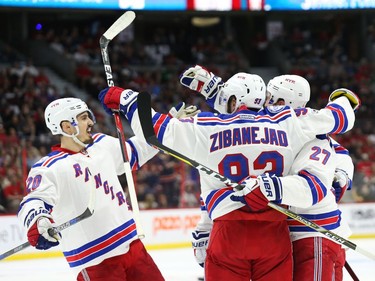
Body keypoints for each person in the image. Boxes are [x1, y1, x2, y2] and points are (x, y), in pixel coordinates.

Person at [98, 72, 358, 281]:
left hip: (229, 233)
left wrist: (127, 99)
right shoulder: (293, 122)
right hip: (276, 234)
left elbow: (155, 130)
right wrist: (344, 99)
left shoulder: (206, 126)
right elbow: (340, 118)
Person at [17, 97, 165, 281]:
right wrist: (38, 221)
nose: (91, 122)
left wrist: (165, 129)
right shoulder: (48, 168)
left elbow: (135, 151)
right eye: (84, 118)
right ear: (67, 127)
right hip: (95, 261)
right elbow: (33, 201)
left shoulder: (101, 143)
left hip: (132, 246)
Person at [266, 75, 355, 281]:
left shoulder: (303, 128)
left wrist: (339, 177)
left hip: (313, 233)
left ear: (282, 102)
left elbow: (338, 154)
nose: (265, 101)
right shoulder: (302, 127)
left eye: (270, 96)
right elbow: (340, 152)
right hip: (299, 233)